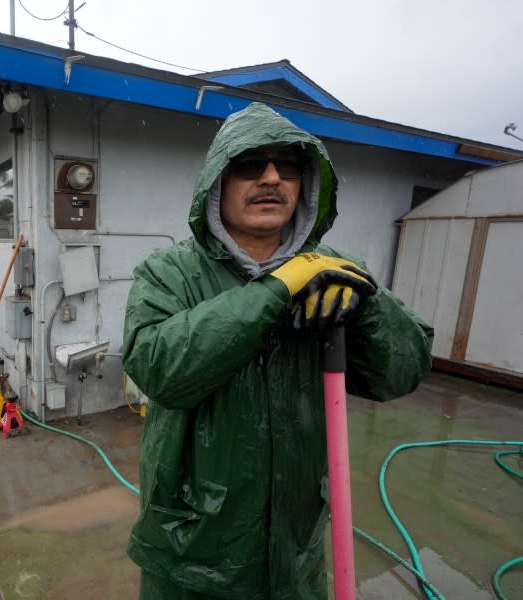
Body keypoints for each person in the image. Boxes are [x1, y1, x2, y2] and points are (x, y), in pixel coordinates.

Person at [122, 102, 433, 599]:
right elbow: (159, 370)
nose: (271, 178)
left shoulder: (337, 269)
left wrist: (369, 310)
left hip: (296, 543)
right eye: (249, 164)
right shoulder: (168, 272)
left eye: (287, 165)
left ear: (304, 181)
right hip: (191, 545)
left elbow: (402, 370)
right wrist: (275, 291)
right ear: (217, 182)